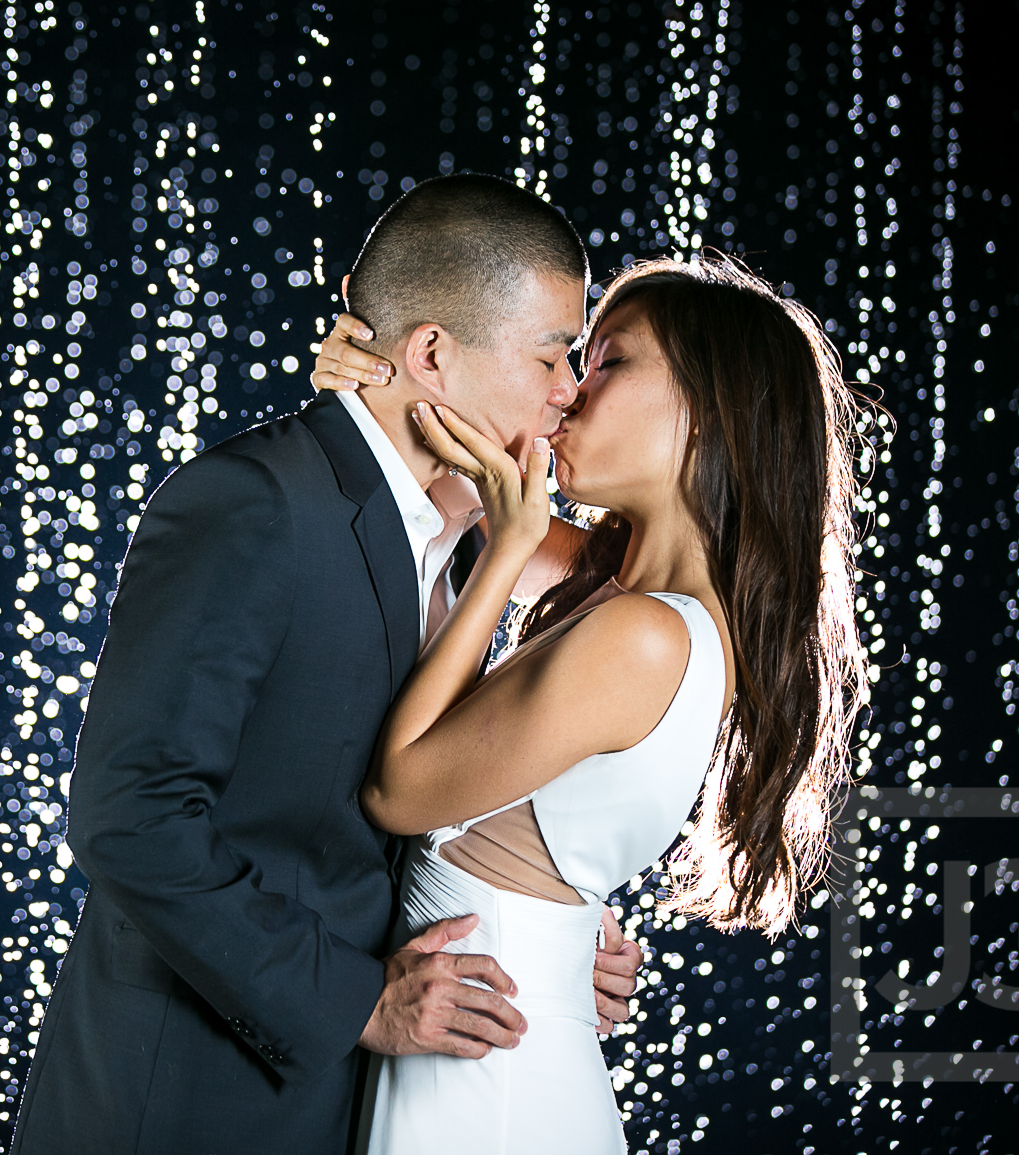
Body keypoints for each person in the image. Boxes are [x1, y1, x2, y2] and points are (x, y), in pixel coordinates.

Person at [10, 174, 645, 1155]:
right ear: (432, 353)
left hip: (364, 1106)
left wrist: (554, 939)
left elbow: (423, 808)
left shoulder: (488, 540)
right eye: (555, 354)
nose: (571, 391)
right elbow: (129, 813)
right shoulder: (253, 503)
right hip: (189, 1100)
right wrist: (357, 1004)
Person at [312, 254, 869, 1153]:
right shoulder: (617, 593)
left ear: (708, 413)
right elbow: (460, 488)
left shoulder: (643, 634)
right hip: (480, 1036)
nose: (567, 392)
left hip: (488, 1084)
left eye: (608, 362)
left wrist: (499, 560)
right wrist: (376, 373)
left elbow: (401, 793)